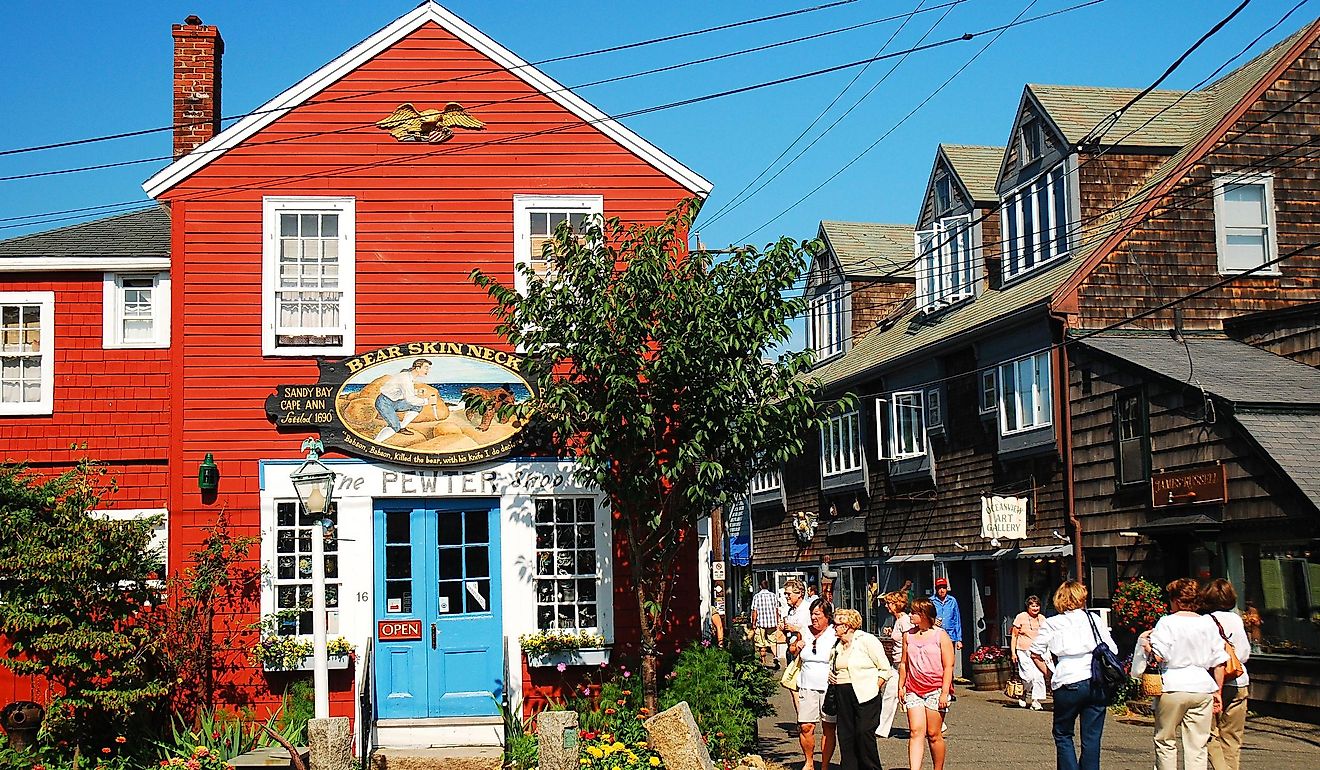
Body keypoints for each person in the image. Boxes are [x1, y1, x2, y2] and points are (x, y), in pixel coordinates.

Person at [1030, 580, 1118, 770]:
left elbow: (1035, 653)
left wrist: (1049, 674)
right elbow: (1113, 649)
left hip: (1067, 679)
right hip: (1096, 680)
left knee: (1063, 733)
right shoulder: (1094, 620)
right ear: (1081, 598)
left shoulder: (1052, 623)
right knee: (1092, 737)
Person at [1145, 578, 1228, 770]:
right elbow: (1219, 661)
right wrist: (1218, 691)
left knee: (1165, 740)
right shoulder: (1208, 623)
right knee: (1198, 745)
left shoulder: (1167, 622)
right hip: (1202, 686)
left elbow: (1159, 655)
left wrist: (1147, 647)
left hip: (1173, 685)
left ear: (1176, 600)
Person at [827, 608, 892, 770]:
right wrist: (830, 675)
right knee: (846, 735)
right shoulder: (837, 645)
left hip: (865, 694)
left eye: (836, 624)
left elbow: (885, 669)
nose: (833, 627)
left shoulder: (866, 640)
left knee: (864, 734)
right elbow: (833, 665)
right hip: (842, 693)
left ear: (847, 626)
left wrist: (875, 687)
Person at [899, 597, 954, 770]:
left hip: (935, 689)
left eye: (913, 613)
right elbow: (903, 663)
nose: (910, 615)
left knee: (933, 734)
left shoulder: (940, 635)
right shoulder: (908, 635)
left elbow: (948, 665)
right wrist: (901, 686)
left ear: (923, 614)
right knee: (915, 731)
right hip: (913, 688)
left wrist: (945, 692)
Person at [1201, 579, 1250, 770]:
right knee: (1232, 736)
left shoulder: (1205, 621)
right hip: (1239, 681)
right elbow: (1244, 654)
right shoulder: (1237, 619)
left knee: (1208, 733)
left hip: (1213, 683)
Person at [796, 599, 839, 770]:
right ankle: (809, 762)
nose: (813, 617)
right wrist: (796, 646)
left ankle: (825, 765)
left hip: (829, 687)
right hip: (807, 684)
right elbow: (793, 650)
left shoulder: (835, 632)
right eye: (812, 614)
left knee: (828, 726)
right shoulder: (804, 631)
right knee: (806, 726)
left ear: (827, 616)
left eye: (817, 614)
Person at [876, 591, 913, 739]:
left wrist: (904, 661)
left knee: (909, 695)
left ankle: (937, 725)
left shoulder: (905, 620)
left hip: (903, 665)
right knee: (890, 695)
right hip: (897, 665)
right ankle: (882, 729)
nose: (887, 606)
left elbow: (908, 643)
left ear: (897, 604)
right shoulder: (898, 620)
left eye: (889, 603)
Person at [373, 358, 437, 442]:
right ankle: (376, 442)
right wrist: (427, 401)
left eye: (428, 368)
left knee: (417, 406)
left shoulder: (408, 376)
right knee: (394, 427)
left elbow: (399, 391)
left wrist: (417, 392)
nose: (428, 370)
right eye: (426, 368)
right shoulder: (405, 378)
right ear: (417, 368)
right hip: (384, 403)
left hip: (395, 401)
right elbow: (410, 399)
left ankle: (402, 427)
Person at [1011, 595, 1047, 710]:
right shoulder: (1021, 617)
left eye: (1037, 606)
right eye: (1033, 606)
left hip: (1038, 651)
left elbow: (1046, 636)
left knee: (1039, 676)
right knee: (1028, 676)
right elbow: (1014, 635)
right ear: (1028, 607)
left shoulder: (1042, 619)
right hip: (1023, 650)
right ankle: (1024, 692)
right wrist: (1013, 653)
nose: (1035, 608)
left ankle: (1036, 701)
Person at [930, 577, 963, 672]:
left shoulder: (952, 601)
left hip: (950, 635)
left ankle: (949, 679)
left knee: (949, 660)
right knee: (937, 660)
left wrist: (959, 639)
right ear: (936, 589)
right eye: (939, 588)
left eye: (944, 588)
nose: (942, 590)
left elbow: (957, 619)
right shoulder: (931, 601)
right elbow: (927, 617)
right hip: (936, 636)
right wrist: (933, 621)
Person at [751, 579, 781, 668]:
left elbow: (755, 611)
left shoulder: (757, 597)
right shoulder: (773, 596)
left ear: (760, 586)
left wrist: (753, 623)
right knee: (773, 641)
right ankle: (775, 656)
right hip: (772, 623)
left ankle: (763, 663)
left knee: (761, 643)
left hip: (761, 623)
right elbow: (776, 610)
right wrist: (777, 621)